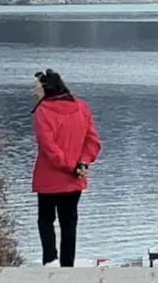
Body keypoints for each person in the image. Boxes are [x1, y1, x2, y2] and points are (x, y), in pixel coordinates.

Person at [31, 68, 101, 268]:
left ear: (46, 87)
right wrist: (82, 163)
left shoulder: (43, 111)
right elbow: (93, 141)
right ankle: (67, 265)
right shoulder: (81, 107)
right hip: (74, 178)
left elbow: (48, 146)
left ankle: (50, 260)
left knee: (46, 220)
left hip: (49, 177)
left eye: (35, 87)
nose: (33, 91)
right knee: (69, 222)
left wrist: (71, 166)